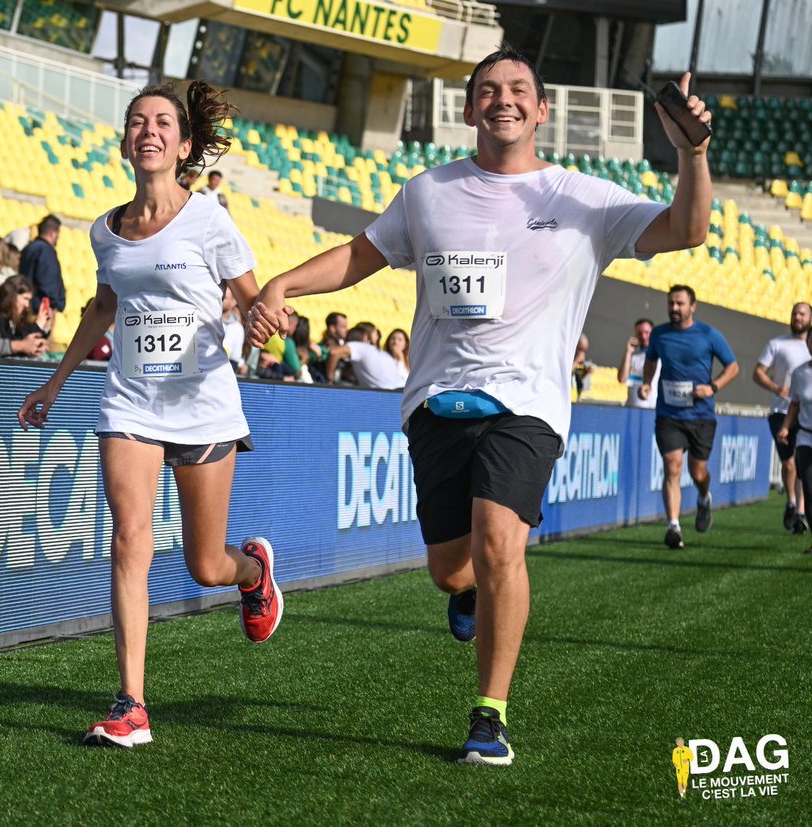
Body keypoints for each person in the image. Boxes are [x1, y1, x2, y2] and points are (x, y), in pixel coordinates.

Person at [247, 49, 713, 766]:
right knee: (451, 569)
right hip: (437, 401)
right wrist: (283, 285)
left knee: (500, 541)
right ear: (468, 110)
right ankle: (469, 598)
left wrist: (692, 151)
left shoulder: (584, 197)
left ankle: (489, 715)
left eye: (519, 89)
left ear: (542, 109)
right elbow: (361, 256)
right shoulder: (428, 191)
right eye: (488, 90)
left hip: (526, 404)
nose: (504, 99)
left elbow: (686, 229)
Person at [18, 80, 283, 749]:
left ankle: (252, 571)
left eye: (163, 121)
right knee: (129, 539)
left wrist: (264, 321)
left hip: (202, 405)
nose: (149, 130)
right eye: (138, 121)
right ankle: (131, 703)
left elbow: (252, 299)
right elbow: (102, 309)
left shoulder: (210, 218)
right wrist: (55, 380)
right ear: (125, 141)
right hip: (129, 399)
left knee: (204, 564)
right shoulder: (104, 230)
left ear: (184, 143)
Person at [639, 285, 737, 549]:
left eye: (680, 304)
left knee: (698, 471)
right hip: (669, 413)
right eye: (671, 303)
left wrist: (713, 387)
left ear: (693, 306)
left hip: (701, 415)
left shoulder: (708, 334)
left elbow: (733, 366)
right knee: (672, 466)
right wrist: (647, 382)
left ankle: (704, 497)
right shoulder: (659, 334)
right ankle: (674, 527)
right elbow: (651, 359)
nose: (674, 308)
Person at [754, 302, 811, 533]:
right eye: (794, 313)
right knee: (789, 463)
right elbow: (758, 372)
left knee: (801, 466)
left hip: (806, 416)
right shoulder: (777, 344)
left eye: (802, 313)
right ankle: (791, 503)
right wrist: (775, 388)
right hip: (782, 411)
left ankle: (800, 511)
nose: (797, 317)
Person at [777, 334, 812, 554]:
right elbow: (795, 403)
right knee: (809, 488)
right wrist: (785, 427)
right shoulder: (800, 372)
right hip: (806, 436)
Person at [324, 325, 406, 389]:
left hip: (389, 396)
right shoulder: (381, 353)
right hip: (402, 392)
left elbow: (334, 353)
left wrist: (329, 380)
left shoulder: (360, 347)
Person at [0, 275, 50, 357]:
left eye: (29, 300)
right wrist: (38, 325)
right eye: (25, 298)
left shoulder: (18, 318)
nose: (27, 305)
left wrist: (44, 327)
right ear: (11, 296)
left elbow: (29, 338)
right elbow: (8, 345)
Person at [19, 213, 65, 312]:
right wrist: (56, 303)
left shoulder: (29, 248)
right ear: (53, 233)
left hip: (26, 304)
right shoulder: (45, 251)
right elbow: (47, 281)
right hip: (39, 308)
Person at [618, 318, 659, 409]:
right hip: (632, 407)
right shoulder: (634, 356)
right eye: (640, 333)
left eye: (647, 332)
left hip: (654, 408)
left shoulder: (661, 355)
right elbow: (622, 379)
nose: (643, 336)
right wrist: (628, 351)